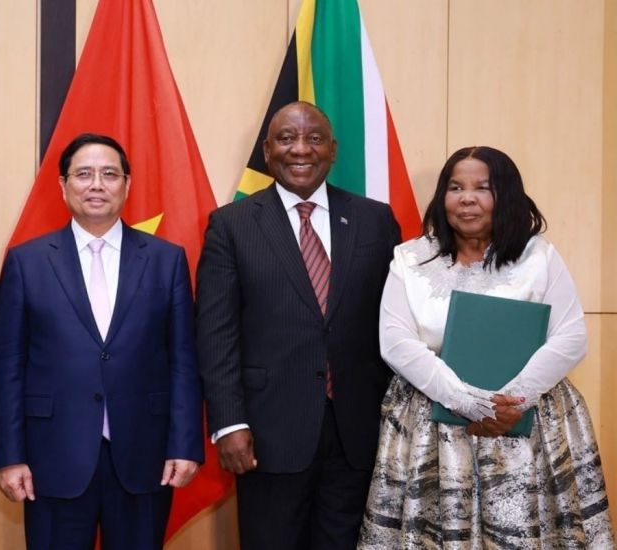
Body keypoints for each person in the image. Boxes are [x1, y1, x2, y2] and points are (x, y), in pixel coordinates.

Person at [358, 146, 615, 548]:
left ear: (505, 195)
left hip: (524, 421)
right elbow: (396, 341)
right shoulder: (410, 258)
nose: (467, 197)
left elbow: (570, 337)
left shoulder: (538, 256)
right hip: (433, 422)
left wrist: (510, 402)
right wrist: (462, 399)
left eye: (483, 187)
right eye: (455, 187)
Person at [196, 101, 400, 549]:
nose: (300, 149)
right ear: (267, 151)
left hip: (358, 432)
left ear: (333, 149)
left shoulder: (374, 219)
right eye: (286, 139)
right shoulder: (231, 225)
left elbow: (397, 323)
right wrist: (229, 424)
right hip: (268, 434)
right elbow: (216, 333)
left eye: (313, 138)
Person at [0, 133, 204, 550]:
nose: (96, 185)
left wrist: (185, 444)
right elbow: (9, 364)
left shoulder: (166, 259)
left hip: (145, 453)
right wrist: (10, 455)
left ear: (128, 184)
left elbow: (182, 358)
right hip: (53, 455)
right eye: (83, 174)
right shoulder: (26, 261)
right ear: (63, 185)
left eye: (109, 174)